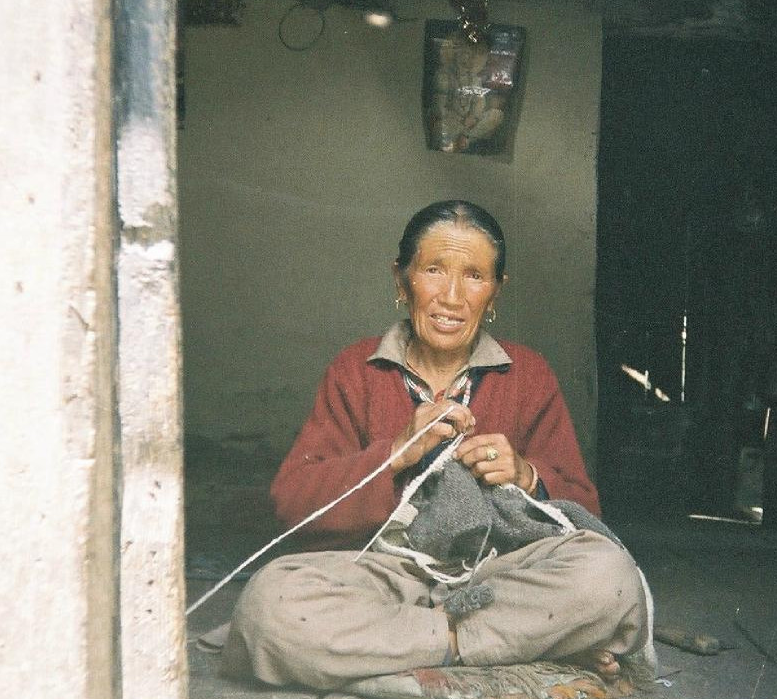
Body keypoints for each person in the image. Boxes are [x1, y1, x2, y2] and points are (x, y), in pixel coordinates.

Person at [220, 200, 652, 692]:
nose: (451, 296)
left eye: (474, 276)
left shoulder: (528, 374)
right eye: (432, 270)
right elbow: (290, 503)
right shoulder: (356, 369)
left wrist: (526, 474)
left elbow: (585, 512)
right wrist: (395, 453)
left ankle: (403, 663)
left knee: (609, 575)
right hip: (384, 577)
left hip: (496, 578)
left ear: (494, 292)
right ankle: (492, 649)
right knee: (270, 605)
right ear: (401, 281)